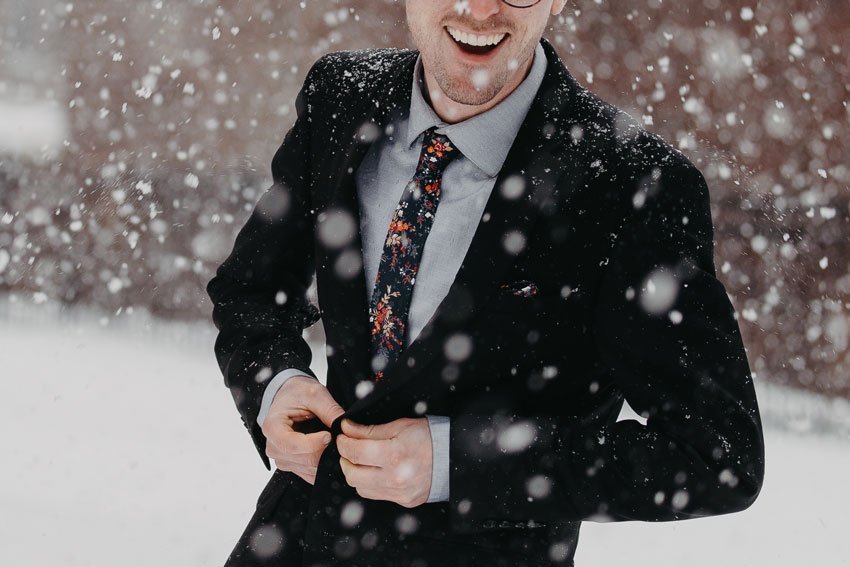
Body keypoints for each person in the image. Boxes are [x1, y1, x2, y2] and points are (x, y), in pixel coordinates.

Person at [206, 1, 765, 565]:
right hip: (297, 539)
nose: (478, 10)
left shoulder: (634, 187)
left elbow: (717, 452)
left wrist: (457, 464)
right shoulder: (338, 97)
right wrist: (275, 387)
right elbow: (250, 294)